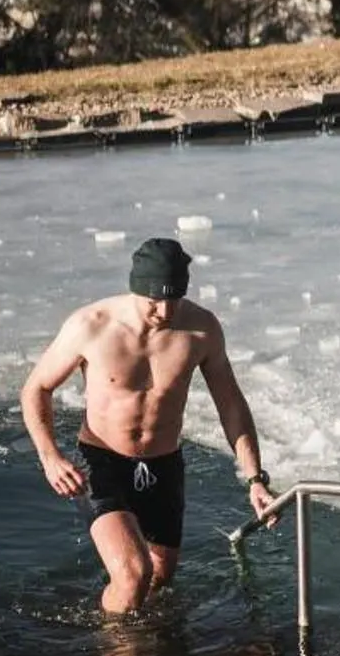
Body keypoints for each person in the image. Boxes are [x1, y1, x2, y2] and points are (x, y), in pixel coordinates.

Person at [21, 236, 275, 614]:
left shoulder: (201, 330)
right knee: (133, 574)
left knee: (160, 577)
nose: (164, 310)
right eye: (154, 300)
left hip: (163, 465)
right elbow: (36, 389)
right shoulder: (91, 326)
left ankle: (147, 645)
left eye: (174, 298)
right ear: (135, 289)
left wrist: (255, 479)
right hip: (102, 461)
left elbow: (231, 403)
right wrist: (51, 457)